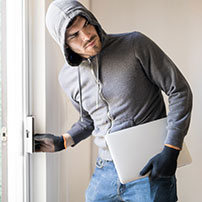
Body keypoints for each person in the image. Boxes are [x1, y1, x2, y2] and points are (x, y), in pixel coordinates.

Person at [34, 0, 193, 201]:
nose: (86, 35)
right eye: (74, 35)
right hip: (104, 172)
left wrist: (172, 149)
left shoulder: (135, 44)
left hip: (149, 170)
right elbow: (89, 121)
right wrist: (64, 141)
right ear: (64, 43)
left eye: (86, 25)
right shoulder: (67, 77)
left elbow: (179, 90)